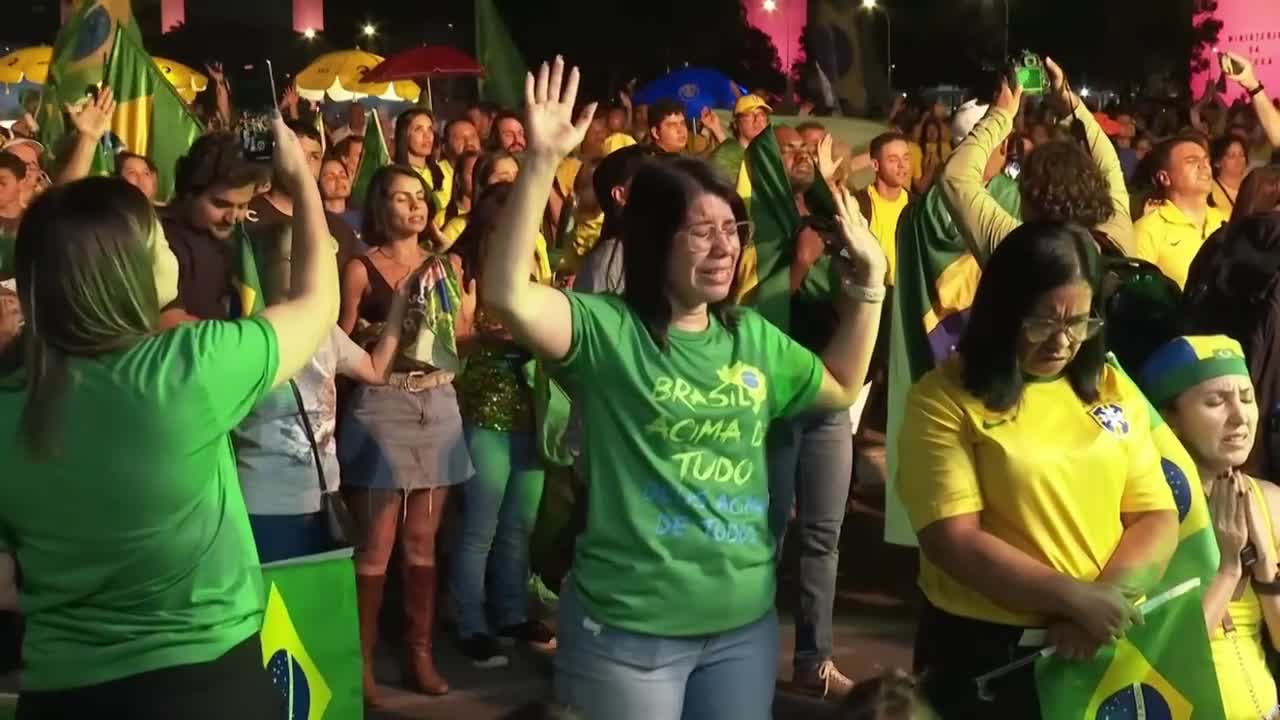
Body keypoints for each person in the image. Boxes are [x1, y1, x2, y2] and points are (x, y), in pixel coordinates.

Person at [482, 57, 886, 720]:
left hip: (741, 631)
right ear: (654, 240)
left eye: (733, 228)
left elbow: (840, 385)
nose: (725, 246)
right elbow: (506, 296)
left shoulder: (750, 336)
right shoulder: (607, 330)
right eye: (703, 230)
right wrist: (539, 164)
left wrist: (869, 284)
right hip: (626, 634)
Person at [0, 114, 336, 718]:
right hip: (205, 686)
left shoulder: (9, 399)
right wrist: (299, 181)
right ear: (127, 272)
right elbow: (319, 302)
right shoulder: (187, 369)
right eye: (150, 235)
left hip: (58, 691)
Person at [897, 222, 1179, 717]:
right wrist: (1072, 598)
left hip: (1093, 646)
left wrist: (1100, 605)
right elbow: (952, 539)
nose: (1062, 341)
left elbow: (1156, 513)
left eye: (1080, 321)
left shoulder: (1111, 386)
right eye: (1043, 322)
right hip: (987, 654)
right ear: (1004, 312)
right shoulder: (943, 399)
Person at [338, 164, 475, 703]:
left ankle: (419, 653)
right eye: (401, 198)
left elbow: (459, 341)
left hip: (438, 400)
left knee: (423, 542)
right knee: (376, 546)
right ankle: (363, 661)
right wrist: (384, 329)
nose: (414, 207)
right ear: (380, 206)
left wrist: (463, 316)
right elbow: (340, 344)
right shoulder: (360, 268)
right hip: (384, 403)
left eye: (420, 197)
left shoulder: (444, 266)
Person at [234, 211, 409, 563]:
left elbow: (376, 370)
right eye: (294, 258)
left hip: (324, 495)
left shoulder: (325, 331)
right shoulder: (243, 336)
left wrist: (399, 306)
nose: (311, 269)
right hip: (267, 503)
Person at [1136, 336, 1280, 720]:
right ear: (1170, 419)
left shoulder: (1270, 501)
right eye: (1216, 401)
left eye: (1247, 398)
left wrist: (1264, 562)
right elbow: (1169, 658)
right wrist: (1228, 567)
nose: (1240, 416)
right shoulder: (1147, 514)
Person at [450, 182, 557, 669]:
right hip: (482, 412)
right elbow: (448, 343)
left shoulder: (531, 272)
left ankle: (512, 613)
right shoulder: (459, 269)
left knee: (520, 525)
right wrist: (483, 335)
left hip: (531, 414)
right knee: (480, 528)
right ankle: (470, 624)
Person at [939, 58, 1133, 263]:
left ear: (1027, 200)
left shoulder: (1019, 249)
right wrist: (1068, 100)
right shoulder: (1118, 238)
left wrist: (1001, 114)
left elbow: (956, 175)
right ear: (1096, 185)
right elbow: (1109, 162)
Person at [165, 132, 271, 320]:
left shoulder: (240, 241)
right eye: (221, 204)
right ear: (189, 192)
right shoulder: (160, 241)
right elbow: (169, 324)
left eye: (242, 206)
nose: (232, 217)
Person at [1134, 133, 1227, 289]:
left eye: (1206, 160)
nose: (1203, 166)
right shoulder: (1148, 229)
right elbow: (1137, 294)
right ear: (1165, 178)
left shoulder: (1226, 221)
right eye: (1191, 161)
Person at [708, 94, 771, 183]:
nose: (758, 120)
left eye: (762, 115)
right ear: (735, 123)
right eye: (749, 115)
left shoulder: (770, 153)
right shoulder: (725, 155)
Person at [1210, 134, 1248, 213]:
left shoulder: (1252, 187)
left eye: (1241, 154)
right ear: (1217, 162)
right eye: (1231, 156)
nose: (1238, 160)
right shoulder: (1209, 191)